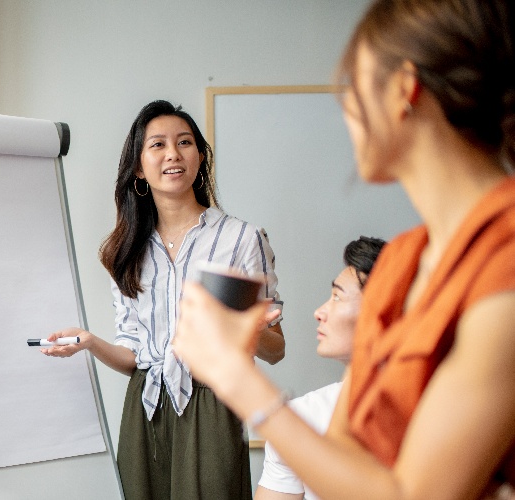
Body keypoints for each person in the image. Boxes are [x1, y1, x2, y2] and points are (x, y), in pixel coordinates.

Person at [172, 0, 515, 498]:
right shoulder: (399, 263)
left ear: (404, 89)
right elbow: (344, 463)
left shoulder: (504, 266)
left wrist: (237, 379)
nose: (346, 110)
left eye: (354, 88)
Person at [41, 100, 286, 500]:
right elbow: (135, 356)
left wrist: (240, 327)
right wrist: (90, 342)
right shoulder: (125, 250)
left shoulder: (241, 239)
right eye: (158, 145)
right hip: (145, 407)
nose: (173, 153)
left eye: (185, 142)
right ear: (139, 167)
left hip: (213, 405)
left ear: (200, 157)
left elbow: (276, 350)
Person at [256, 236, 385, 500]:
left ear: (383, 312)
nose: (319, 312)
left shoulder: (434, 416)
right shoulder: (301, 416)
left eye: (337, 297)